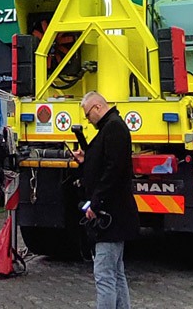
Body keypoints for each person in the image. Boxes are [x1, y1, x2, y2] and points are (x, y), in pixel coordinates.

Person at [77, 91, 134, 309]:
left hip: (110, 215)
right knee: (115, 272)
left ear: (97, 108)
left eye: (87, 114)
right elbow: (107, 164)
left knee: (104, 274)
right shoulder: (111, 127)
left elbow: (113, 169)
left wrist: (96, 203)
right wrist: (86, 160)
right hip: (114, 213)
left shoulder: (113, 128)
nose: (87, 119)